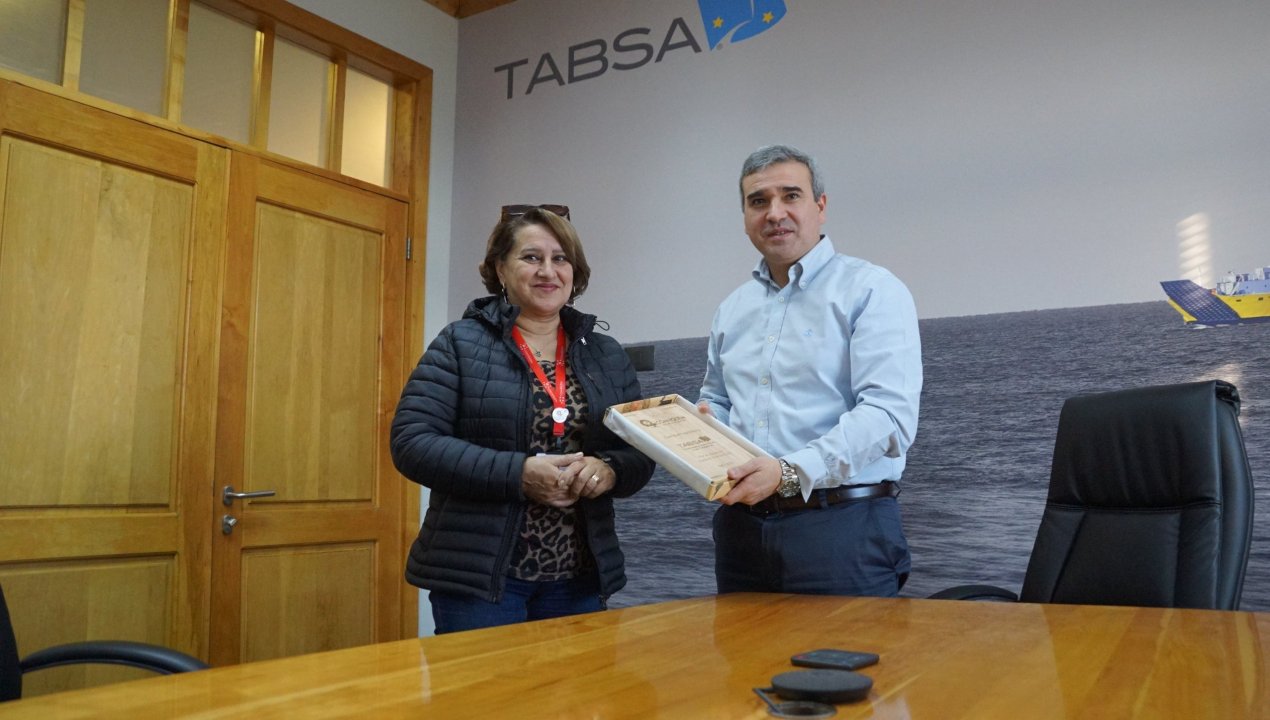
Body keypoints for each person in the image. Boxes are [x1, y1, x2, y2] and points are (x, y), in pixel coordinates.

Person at [391, 204, 654, 633]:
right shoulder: (460, 343)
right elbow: (412, 443)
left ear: (574, 272)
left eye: (560, 258)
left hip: (579, 578)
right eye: (531, 257)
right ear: (500, 269)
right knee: (486, 681)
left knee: (576, 681)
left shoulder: (605, 354)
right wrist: (519, 474)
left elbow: (640, 453)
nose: (547, 271)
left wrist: (608, 470)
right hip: (479, 582)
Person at [697, 145, 922, 597]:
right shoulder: (731, 310)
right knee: (742, 650)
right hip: (741, 534)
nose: (774, 213)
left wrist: (789, 472)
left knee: (847, 647)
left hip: (842, 530)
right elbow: (718, 399)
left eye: (791, 196)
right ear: (745, 217)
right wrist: (701, 426)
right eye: (758, 201)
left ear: (820, 206)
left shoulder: (872, 291)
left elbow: (888, 416)